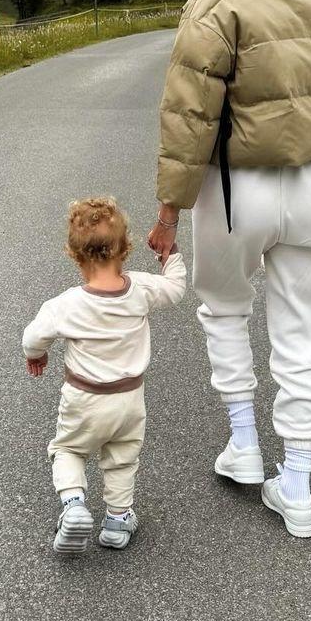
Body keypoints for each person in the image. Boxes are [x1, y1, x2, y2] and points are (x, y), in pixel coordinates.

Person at [148, 0, 311, 539]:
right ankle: (296, 481)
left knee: (227, 308)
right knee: (306, 330)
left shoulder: (212, 3)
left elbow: (189, 118)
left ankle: (244, 445)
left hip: (237, 190)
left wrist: (169, 211)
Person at [23, 196, 187, 557]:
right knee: (122, 457)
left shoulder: (65, 304)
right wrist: (171, 254)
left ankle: (75, 504)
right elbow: (175, 289)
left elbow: (33, 336)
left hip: (84, 398)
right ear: (124, 249)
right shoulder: (141, 289)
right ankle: (116, 520)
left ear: (75, 255)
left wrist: (37, 354)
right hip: (129, 401)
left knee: (68, 448)